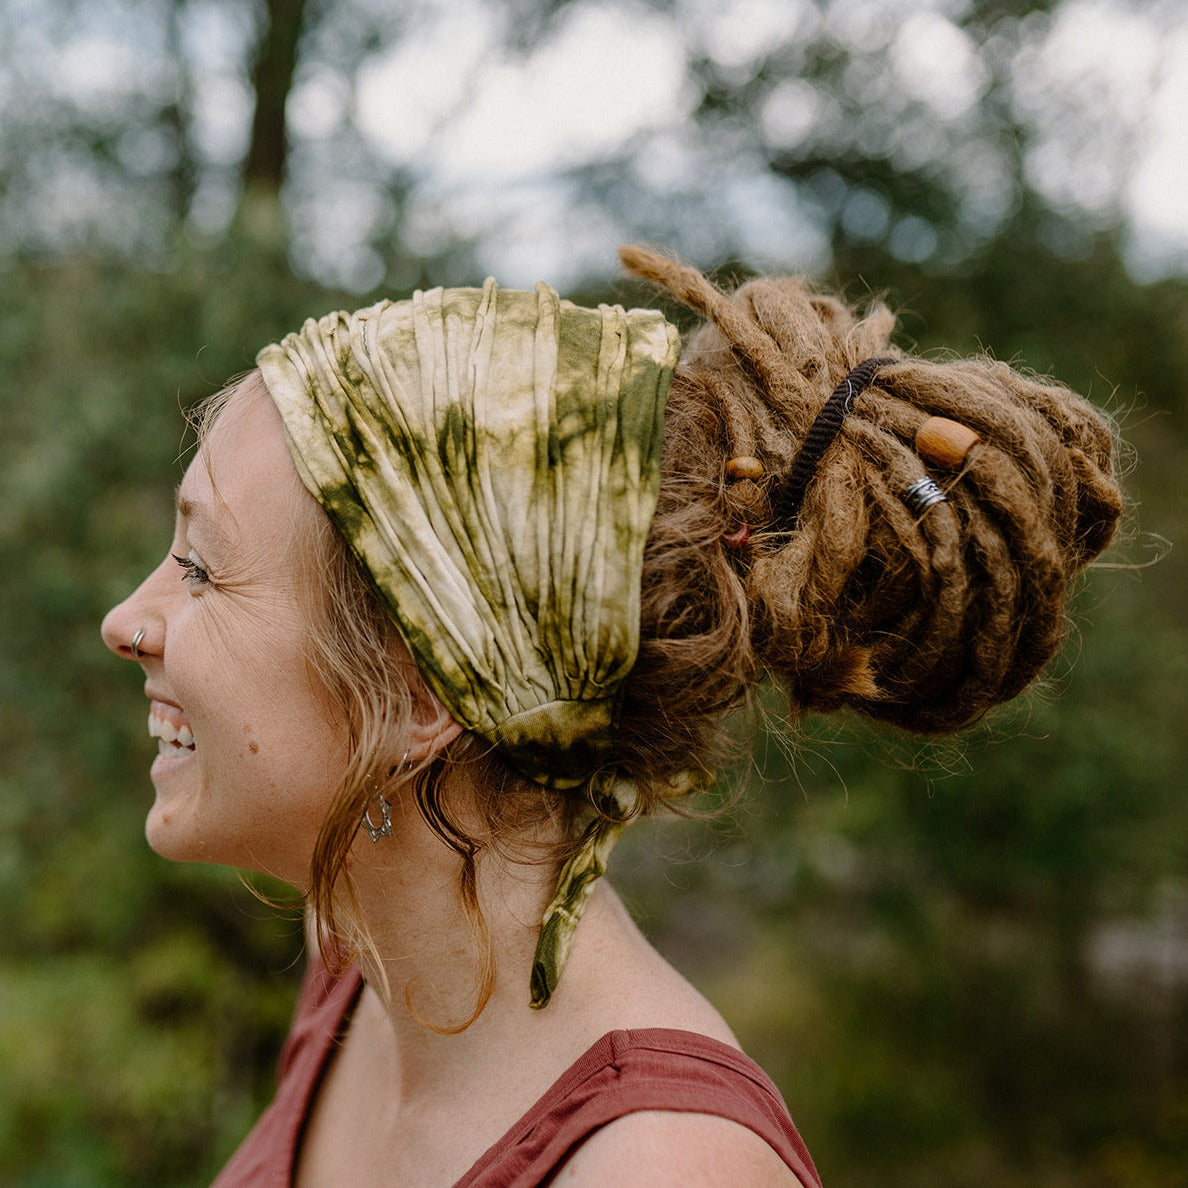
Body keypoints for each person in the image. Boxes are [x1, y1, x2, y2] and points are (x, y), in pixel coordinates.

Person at [101, 245, 1122, 1186]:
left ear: (420, 692)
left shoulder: (660, 1170)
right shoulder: (360, 970)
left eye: (203, 566)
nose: (126, 620)